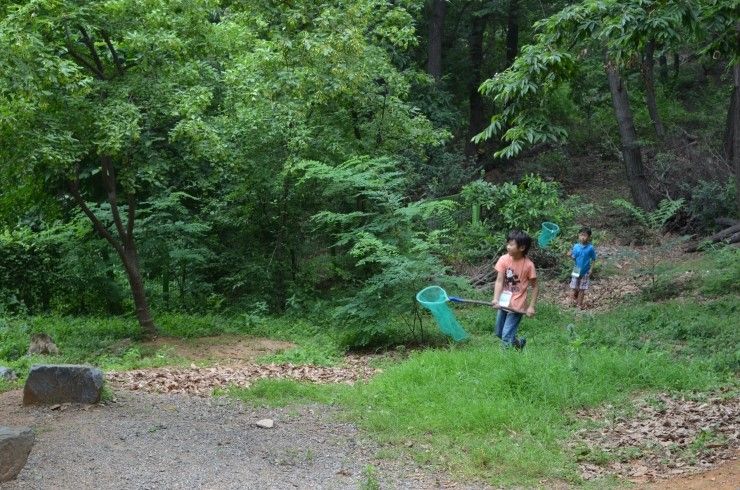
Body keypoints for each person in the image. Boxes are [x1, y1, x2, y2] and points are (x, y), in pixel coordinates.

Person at [492, 230, 538, 350]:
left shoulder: (529, 265)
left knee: (506, 336)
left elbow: (535, 286)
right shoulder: (503, 259)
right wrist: (495, 299)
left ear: (522, 247)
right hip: (503, 302)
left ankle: (505, 362)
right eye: (508, 244)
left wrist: (531, 306)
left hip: (517, 304)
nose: (508, 247)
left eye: (511, 245)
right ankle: (518, 344)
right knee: (499, 332)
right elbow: (499, 281)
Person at [570, 226, 597, 309]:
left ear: (589, 237)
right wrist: (570, 255)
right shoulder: (575, 246)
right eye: (581, 235)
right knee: (574, 287)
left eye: (585, 235)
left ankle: (579, 304)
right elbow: (574, 258)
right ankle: (573, 299)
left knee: (582, 289)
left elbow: (593, 259)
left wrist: (591, 269)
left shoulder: (590, 248)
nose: (582, 237)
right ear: (578, 235)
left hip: (586, 271)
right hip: (576, 269)